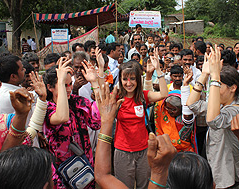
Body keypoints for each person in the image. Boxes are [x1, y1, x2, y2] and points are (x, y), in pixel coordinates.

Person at [187, 46, 239, 188]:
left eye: (219, 86)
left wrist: (215, 78)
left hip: (229, 179)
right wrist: (205, 74)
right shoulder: (220, 107)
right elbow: (192, 104)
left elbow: (213, 120)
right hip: (216, 173)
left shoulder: (236, 111)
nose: (215, 90)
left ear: (233, 88)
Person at [113, 48, 168, 188]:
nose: (128, 83)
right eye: (125, 79)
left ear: (138, 80)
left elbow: (163, 94)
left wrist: (158, 71)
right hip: (122, 151)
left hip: (144, 151)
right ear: (120, 80)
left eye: (132, 78)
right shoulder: (116, 97)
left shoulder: (143, 96)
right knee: (125, 186)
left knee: (144, 185)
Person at [43, 57, 101, 188]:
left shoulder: (77, 102)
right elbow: (62, 116)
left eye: (70, 84)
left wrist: (94, 83)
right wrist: (61, 78)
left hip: (85, 169)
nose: (69, 89)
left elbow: (96, 122)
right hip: (62, 173)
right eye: (64, 85)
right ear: (50, 87)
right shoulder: (47, 109)